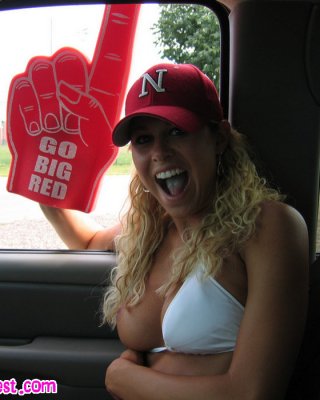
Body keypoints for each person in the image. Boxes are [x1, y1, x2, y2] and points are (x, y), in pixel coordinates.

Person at [43, 63, 309, 399]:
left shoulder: (268, 227)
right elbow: (89, 241)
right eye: (143, 140)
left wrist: (122, 378)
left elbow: (252, 392)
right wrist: (46, 182)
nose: (159, 152)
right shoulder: (146, 232)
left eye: (177, 131)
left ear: (219, 138)